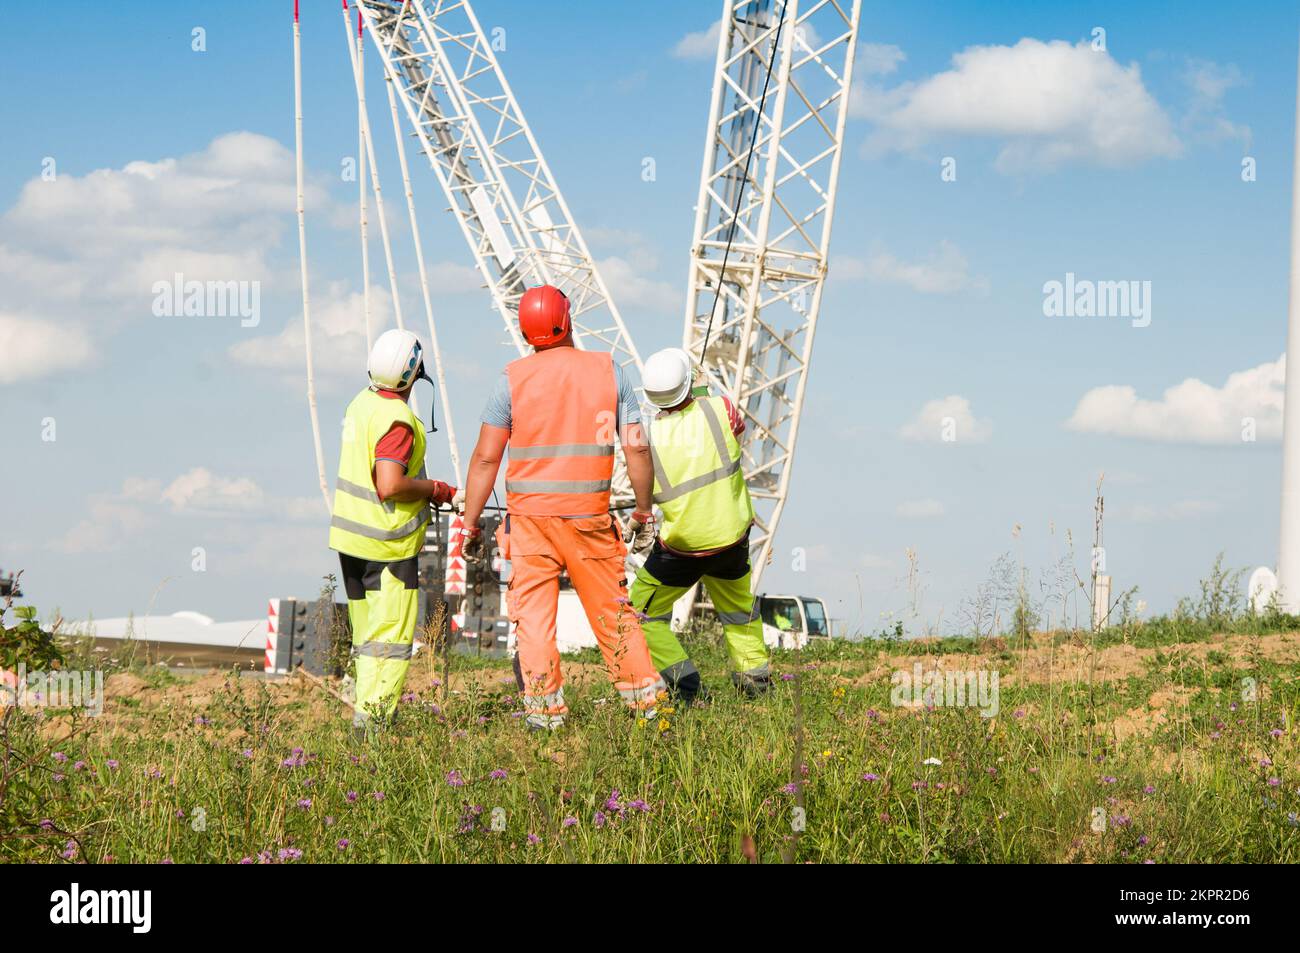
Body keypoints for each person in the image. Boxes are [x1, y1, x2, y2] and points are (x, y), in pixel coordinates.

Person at [458, 285, 664, 730]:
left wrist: (470, 524)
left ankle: (544, 718)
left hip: (530, 524)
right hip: (590, 518)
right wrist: (644, 512)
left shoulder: (510, 380)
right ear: (568, 319)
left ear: (525, 331)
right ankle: (648, 712)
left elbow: (486, 458)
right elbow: (638, 450)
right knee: (614, 614)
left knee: (532, 620)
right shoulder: (610, 371)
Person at [625, 347, 771, 703]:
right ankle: (756, 687)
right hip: (731, 540)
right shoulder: (719, 409)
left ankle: (684, 685)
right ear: (689, 382)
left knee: (639, 614)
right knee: (739, 613)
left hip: (683, 549)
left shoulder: (650, 437)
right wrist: (701, 390)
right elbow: (736, 426)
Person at [328, 328, 456, 733]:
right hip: (388, 547)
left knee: (368, 639)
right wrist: (438, 489)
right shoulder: (397, 419)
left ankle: (364, 720)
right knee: (388, 643)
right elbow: (390, 484)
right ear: (413, 373)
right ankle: (374, 729)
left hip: (352, 543)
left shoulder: (360, 405)